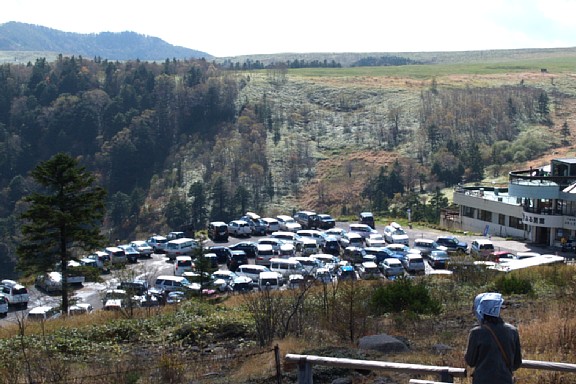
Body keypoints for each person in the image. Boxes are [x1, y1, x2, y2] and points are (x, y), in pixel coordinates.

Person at [465, 292, 522, 384]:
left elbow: (470, 361)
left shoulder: (476, 333)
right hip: (505, 380)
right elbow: (517, 363)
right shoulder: (512, 331)